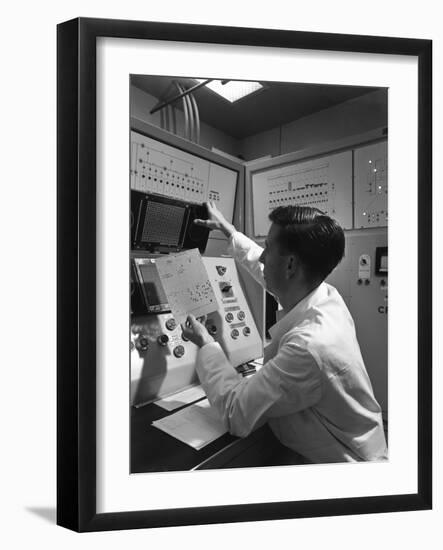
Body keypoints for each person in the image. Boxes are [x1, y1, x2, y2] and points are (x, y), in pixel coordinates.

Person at [182, 201, 387, 463]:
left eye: (268, 247)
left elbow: (236, 412)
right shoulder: (324, 296)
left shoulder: (310, 346)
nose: (263, 257)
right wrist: (230, 232)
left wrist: (206, 342)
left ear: (291, 265)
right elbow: (264, 267)